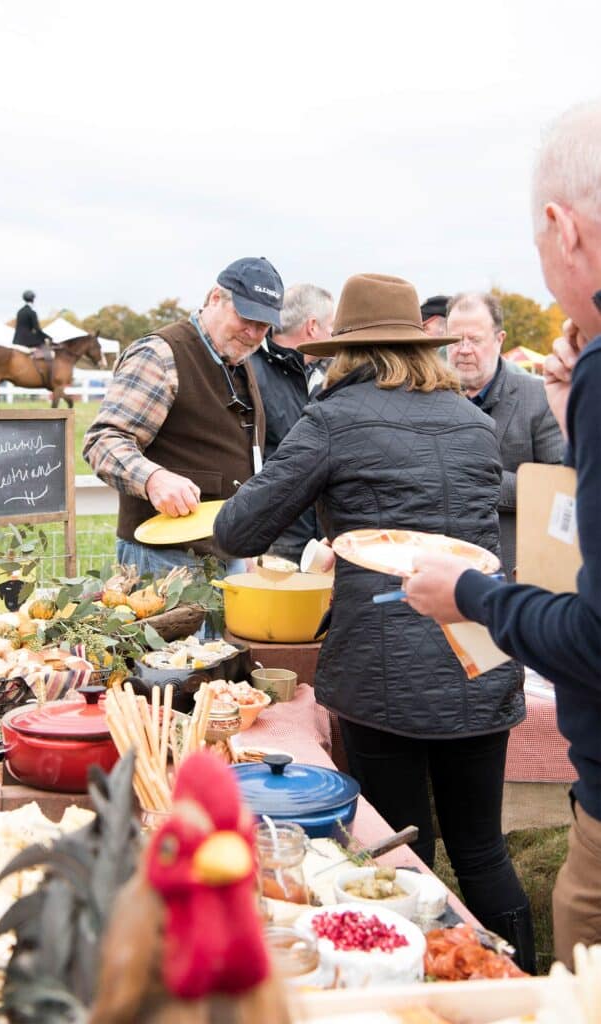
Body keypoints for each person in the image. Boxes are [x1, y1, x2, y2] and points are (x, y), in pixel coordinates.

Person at [214, 273, 536, 972]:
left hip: (383, 670)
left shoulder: (332, 419)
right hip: (481, 649)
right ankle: (525, 987)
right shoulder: (474, 423)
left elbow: (240, 529)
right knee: (481, 847)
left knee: (397, 848)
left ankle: (403, 986)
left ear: (345, 352)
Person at [404, 100, 601, 969]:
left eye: (475, 339)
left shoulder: (548, 390)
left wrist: (471, 594)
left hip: (514, 602)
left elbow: (593, 629)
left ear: (562, 229)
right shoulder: (536, 386)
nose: (464, 353)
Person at [83, 256, 284, 576]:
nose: (253, 332)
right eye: (245, 317)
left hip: (226, 552)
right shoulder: (160, 355)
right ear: (215, 298)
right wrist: (152, 479)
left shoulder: (237, 359)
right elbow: (103, 441)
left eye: (263, 325)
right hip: (163, 557)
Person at [446, 291, 564, 577]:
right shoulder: (428, 399)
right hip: (445, 572)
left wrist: (480, 480)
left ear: (500, 340)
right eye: (454, 340)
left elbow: (558, 489)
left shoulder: (537, 398)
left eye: (474, 340)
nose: (463, 349)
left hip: (513, 574)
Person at [250, 283, 334, 563]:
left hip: (324, 541)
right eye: (331, 325)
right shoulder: (251, 374)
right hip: (278, 543)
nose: (335, 334)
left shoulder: (333, 373)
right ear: (312, 327)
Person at [13, 290, 52, 356]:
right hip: (27, 340)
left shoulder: (20, 311)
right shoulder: (32, 312)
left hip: (16, 339)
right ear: (33, 299)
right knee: (46, 350)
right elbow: (37, 330)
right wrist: (47, 337)